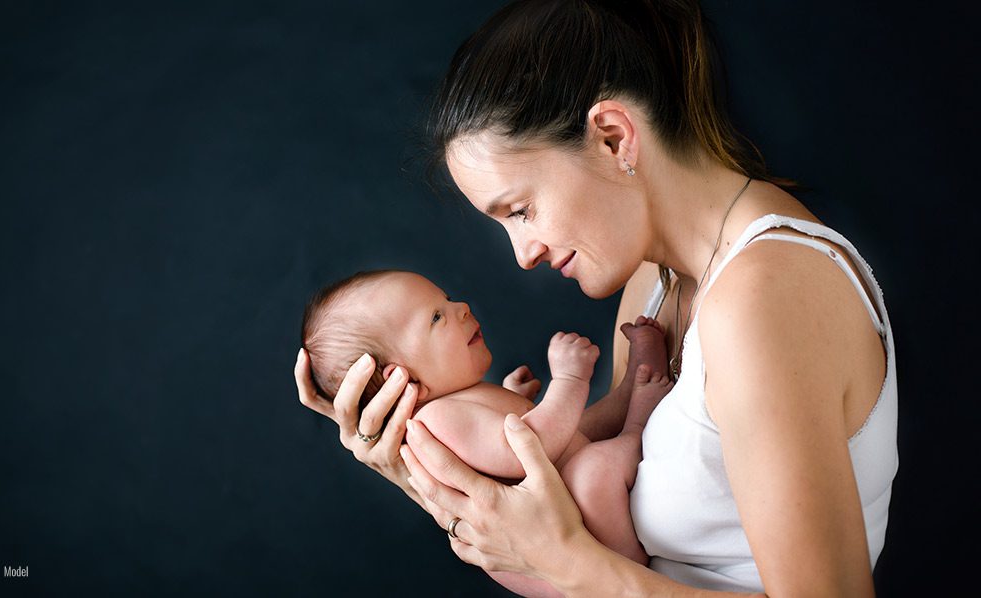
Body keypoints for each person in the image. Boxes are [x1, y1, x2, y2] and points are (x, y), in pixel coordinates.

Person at [295, 0, 898, 594]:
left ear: (612, 138)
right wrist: (421, 468)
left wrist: (566, 563)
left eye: (522, 209)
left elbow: (577, 555)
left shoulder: (763, 299)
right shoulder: (652, 288)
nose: (522, 254)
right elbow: (590, 498)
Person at [300, 269, 672, 597]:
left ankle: (632, 387)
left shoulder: (455, 403)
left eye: (445, 299)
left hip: (568, 526)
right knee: (593, 467)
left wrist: (510, 402)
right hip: (593, 552)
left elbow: (508, 444)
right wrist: (570, 379)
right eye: (435, 317)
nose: (460, 306)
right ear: (403, 379)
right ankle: (638, 422)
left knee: (580, 446)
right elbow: (528, 448)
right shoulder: (435, 422)